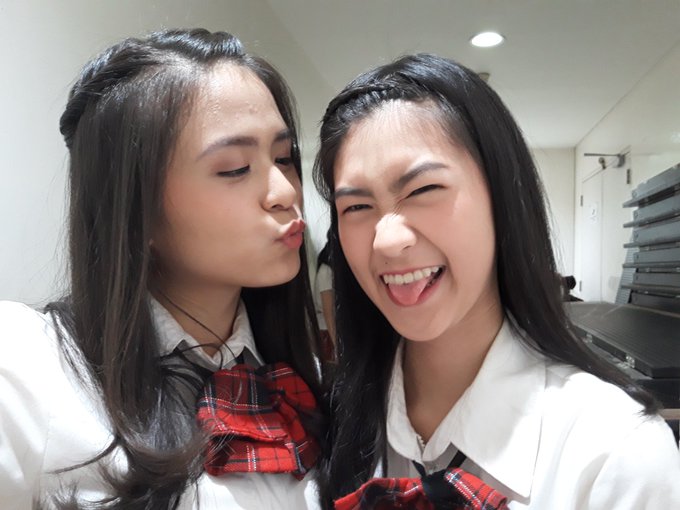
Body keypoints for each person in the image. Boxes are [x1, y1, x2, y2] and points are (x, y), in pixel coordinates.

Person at [312, 53, 680, 509]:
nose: (386, 241)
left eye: (423, 190)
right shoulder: (328, 423)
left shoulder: (614, 452)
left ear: (501, 196)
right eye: (356, 207)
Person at [0, 29, 325, 509]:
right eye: (235, 168)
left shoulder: (304, 375)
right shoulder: (26, 363)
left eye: (284, 157)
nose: (285, 191)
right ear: (136, 210)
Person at [313, 233, 336, 360]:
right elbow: (329, 313)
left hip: (333, 330)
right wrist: (337, 344)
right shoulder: (325, 271)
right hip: (327, 332)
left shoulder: (332, 270)